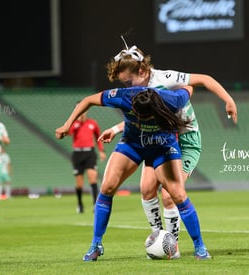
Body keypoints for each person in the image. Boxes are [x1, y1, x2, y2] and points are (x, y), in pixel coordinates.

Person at [99, 42, 237, 258]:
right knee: (146, 189)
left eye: (128, 81)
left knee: (169, 195)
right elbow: (143, 118)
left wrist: (228, 100)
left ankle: (173, 246)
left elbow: (204, 79)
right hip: (160, 139)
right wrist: (117, 129)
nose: (126, 87)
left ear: (142, 71)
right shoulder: (138, 91)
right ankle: (159, 238)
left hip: (186, 140)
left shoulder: (165, 79)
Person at [55, 86, 212, 261]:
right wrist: (67, 125)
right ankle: (96, 245)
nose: (136, 118)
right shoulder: (124, 96)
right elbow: (88, 100)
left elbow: (189, 87)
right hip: (132, 144)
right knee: (107, 187)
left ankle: (200, 247)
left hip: (163, 147)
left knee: (177, 194)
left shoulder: (172, 100)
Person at [68, 109, 106, 213]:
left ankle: (95, 204)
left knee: (92, 177)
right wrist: (74, 123)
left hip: (89, 152)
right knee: (79, 182)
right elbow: (69, 133)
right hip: (77, 153)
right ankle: (80, 204)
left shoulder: (92, 123)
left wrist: (101, 151)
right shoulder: (74, 124)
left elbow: (99, 137)